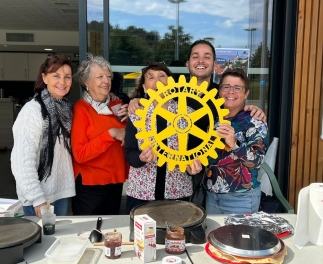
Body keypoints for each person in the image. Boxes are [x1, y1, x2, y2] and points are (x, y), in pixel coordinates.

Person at [125, 62, 202, 214]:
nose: (157, 81)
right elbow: (129, 154)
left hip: (178, 193)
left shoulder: (188, 114)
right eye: (150, 77)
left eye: (162, 76)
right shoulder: (136, 113)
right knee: (140, 237)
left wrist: (192, 167)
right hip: (141, 194)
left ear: (171, 83)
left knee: (176, 236)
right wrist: (140, 157)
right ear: (144, 86)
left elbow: (195, 153)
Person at [128, 39, 267, 122]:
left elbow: (237, 114)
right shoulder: (173, 92)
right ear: (188, 64)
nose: (201, 61)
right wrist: (137, 101)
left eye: (207, 57)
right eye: (195, 56)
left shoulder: (223, 94)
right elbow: (153, 107)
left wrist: (252, 109)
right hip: (177, 167)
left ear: (214, 64)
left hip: (212, 167)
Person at [11, 54, 75, 218]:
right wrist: (37, 197)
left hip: (60, 193)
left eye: (67, 77)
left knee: (58, 241)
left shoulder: (66, 109)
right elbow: (21, 160)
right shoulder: (32, 110)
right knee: (42, 242)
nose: (62, 82)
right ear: (44, 78)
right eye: (56, 76)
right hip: (39, 198)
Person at [71, 54, 129, 215]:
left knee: (112, 234)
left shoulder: (116, 104)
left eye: (108, 76)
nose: (106, 81)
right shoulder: (81, 109)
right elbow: (80, 154)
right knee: (89, 234)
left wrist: (131, 118)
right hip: (90, 186)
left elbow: (128, 137)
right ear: (86, 82)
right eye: (100, 77)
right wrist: (111, 134)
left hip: (116, 182)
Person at [204, 68, 268, 214]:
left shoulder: (255, 121)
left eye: (237, 88)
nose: (231, 92)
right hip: (212, 195)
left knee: (240, 237)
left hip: (241, 197)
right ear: (220, 91)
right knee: (213, 236)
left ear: (246, 93)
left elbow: (257, 161)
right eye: (226, 87)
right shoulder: (214, 121)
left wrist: (234, 144)